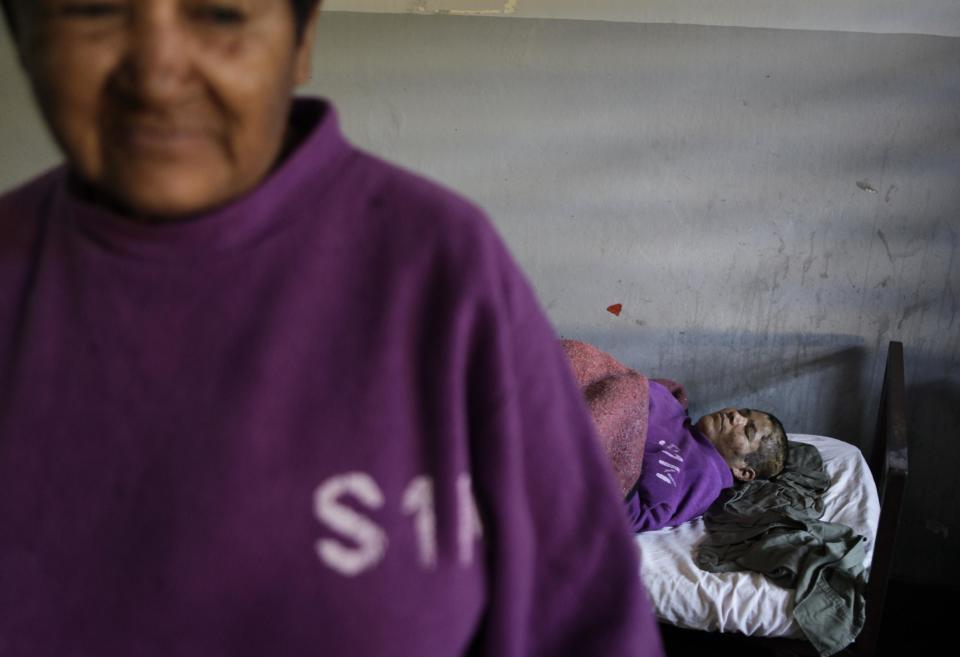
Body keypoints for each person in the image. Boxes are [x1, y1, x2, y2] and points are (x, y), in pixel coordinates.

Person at [0, 2, 663, 656]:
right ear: (20, 33)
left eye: (221, 14)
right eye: (90, 9)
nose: (157, 71)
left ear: (301, 36)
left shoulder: (443, 269)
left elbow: (585, 623)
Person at [561, 339, 788, 533]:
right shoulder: (676, 411)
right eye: (743, 412)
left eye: (747, 430)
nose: (735, 416)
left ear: (743, 471)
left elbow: (629, 511)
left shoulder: (704, 476)